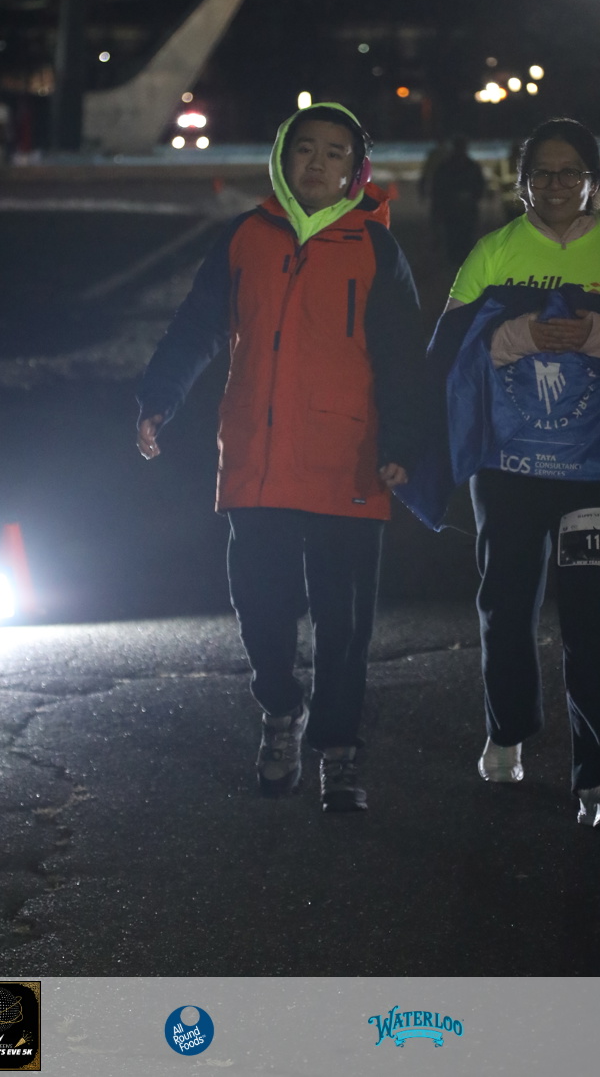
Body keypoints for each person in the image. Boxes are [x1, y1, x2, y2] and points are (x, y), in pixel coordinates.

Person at [136, 102, 422, 812]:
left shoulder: (376, 247)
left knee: (343, 623)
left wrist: (402, 441)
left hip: (348, 458)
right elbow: (197, 327)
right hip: (258, 458)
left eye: (335, 152)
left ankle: (339, 752)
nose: (317, 162)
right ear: (282, 157)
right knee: (260, 606)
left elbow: (402, 358)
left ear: (356, 170)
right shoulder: (245, 237)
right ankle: (280, 707)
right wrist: (159, 397)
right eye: (305, 148)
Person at [443, 117, 600, 829]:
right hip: (507, 465)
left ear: (595, 182)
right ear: (522, 182)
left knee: (592, 616)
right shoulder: (493, 252)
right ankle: (507, 731)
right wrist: (519, 335)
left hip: (597, 467)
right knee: (507, 603)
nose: (558, 184)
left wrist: (599, 335)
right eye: (543, 171)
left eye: (573, 172)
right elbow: (452, 358)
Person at [429, 134, 486, 264]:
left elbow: (479, 187)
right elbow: (438, 189)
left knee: (464, 240)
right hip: (454, 212)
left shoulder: (469, 167)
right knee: (454, 240)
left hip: (464, 212)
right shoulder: (450, 167)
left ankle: (461, 263)